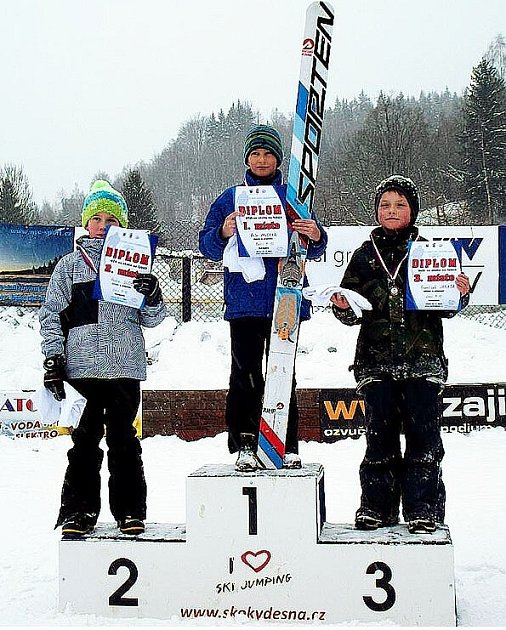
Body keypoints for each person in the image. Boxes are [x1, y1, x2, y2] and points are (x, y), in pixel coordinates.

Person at [331, 175, 470, 534]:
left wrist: (459, 293)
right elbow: (350, 312)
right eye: (385, 205)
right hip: (375, 364)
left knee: (424, 441)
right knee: (380, 440)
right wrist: (342, 305)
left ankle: (424, 508)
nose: (392, 211)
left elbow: (445, 308)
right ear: (377, 211)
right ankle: (376, 507)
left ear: (412, 210)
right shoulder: (364, 256)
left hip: (423, 363)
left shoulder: (430, 251)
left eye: (400, 205)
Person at [39, 179, 166, 538]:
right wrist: (53, 358)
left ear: (122, 226)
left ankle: (129, 512)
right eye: (97, 218)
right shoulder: (68, 266)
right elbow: (50, 315)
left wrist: (153, 295)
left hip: (124, 366)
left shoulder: (136, 266)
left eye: (112, 219)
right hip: (82, 370)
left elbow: (153, 320)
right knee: (83, 442)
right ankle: (79, 512)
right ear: (86, 223)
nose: (104, 225)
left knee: (124, 441)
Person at [199, 124, 328, 471]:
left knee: (284, 372)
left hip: (285, 299)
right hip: (243, 302)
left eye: (268, 153)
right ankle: (244, 442)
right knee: (244, 373)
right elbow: (205, 244)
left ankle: (286, 443)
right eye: (255, 153)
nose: (261, 159)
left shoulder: (293, 197)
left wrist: (315, 234)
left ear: (278, 159)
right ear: (246, 158)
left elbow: (316, 245)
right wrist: (224, 230)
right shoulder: (232, 197)